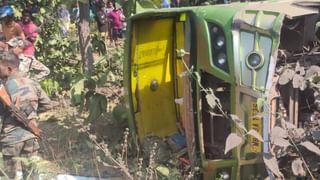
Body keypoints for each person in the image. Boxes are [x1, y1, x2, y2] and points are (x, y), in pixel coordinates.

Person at [0, 51, 52, 179]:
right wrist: (33, 113)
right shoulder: (33, 83)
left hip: (11, 139)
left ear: (9, 69)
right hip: (31, 136)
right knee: (32, 175)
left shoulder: (3, 89)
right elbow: (48, 105)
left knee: (8, 176)